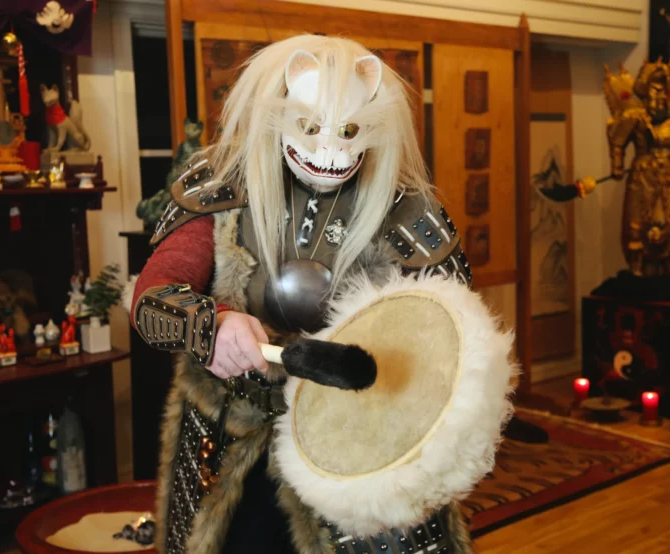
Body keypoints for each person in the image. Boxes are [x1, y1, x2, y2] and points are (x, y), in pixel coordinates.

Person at [131, 34, 483, 554]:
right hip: (230, 432)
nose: (329, 149)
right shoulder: (221, 183)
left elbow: (455, 336)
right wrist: (214, 326)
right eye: (311, 127)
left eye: (347, 131)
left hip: (358, 445)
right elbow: (154, 296)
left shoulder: (407, 210)